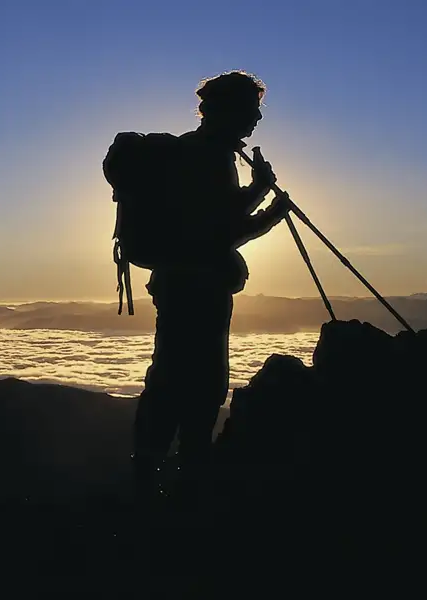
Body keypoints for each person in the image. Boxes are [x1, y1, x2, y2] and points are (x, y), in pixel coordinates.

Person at [132, 71, 291, 503]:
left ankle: (151, 477)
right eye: (252, 109)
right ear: (229, 110)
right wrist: (270, 211)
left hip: (181, 285)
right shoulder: (209, 157)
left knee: (171, 378)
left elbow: (217, 217)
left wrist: (258, 190)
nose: (257, 118)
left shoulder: (201, 152)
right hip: (198, 290)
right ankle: (179, 483)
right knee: (198, 385)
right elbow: (222, 232)